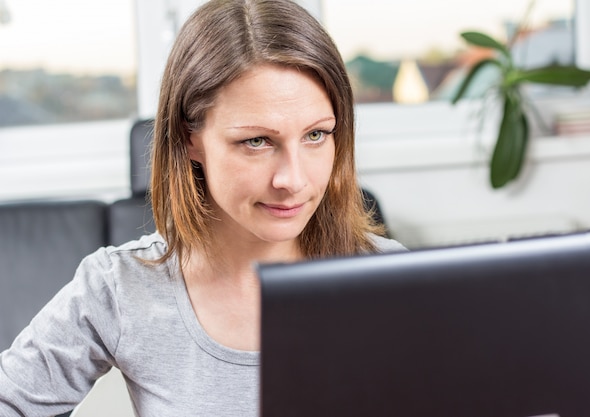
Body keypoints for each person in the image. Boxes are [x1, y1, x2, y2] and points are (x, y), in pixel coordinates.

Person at [0, 0, 406, 415]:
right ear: (190, 138)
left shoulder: (398, 281)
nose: (294, 180)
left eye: (316, 135)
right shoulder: (119, 287)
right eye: (257, 141)